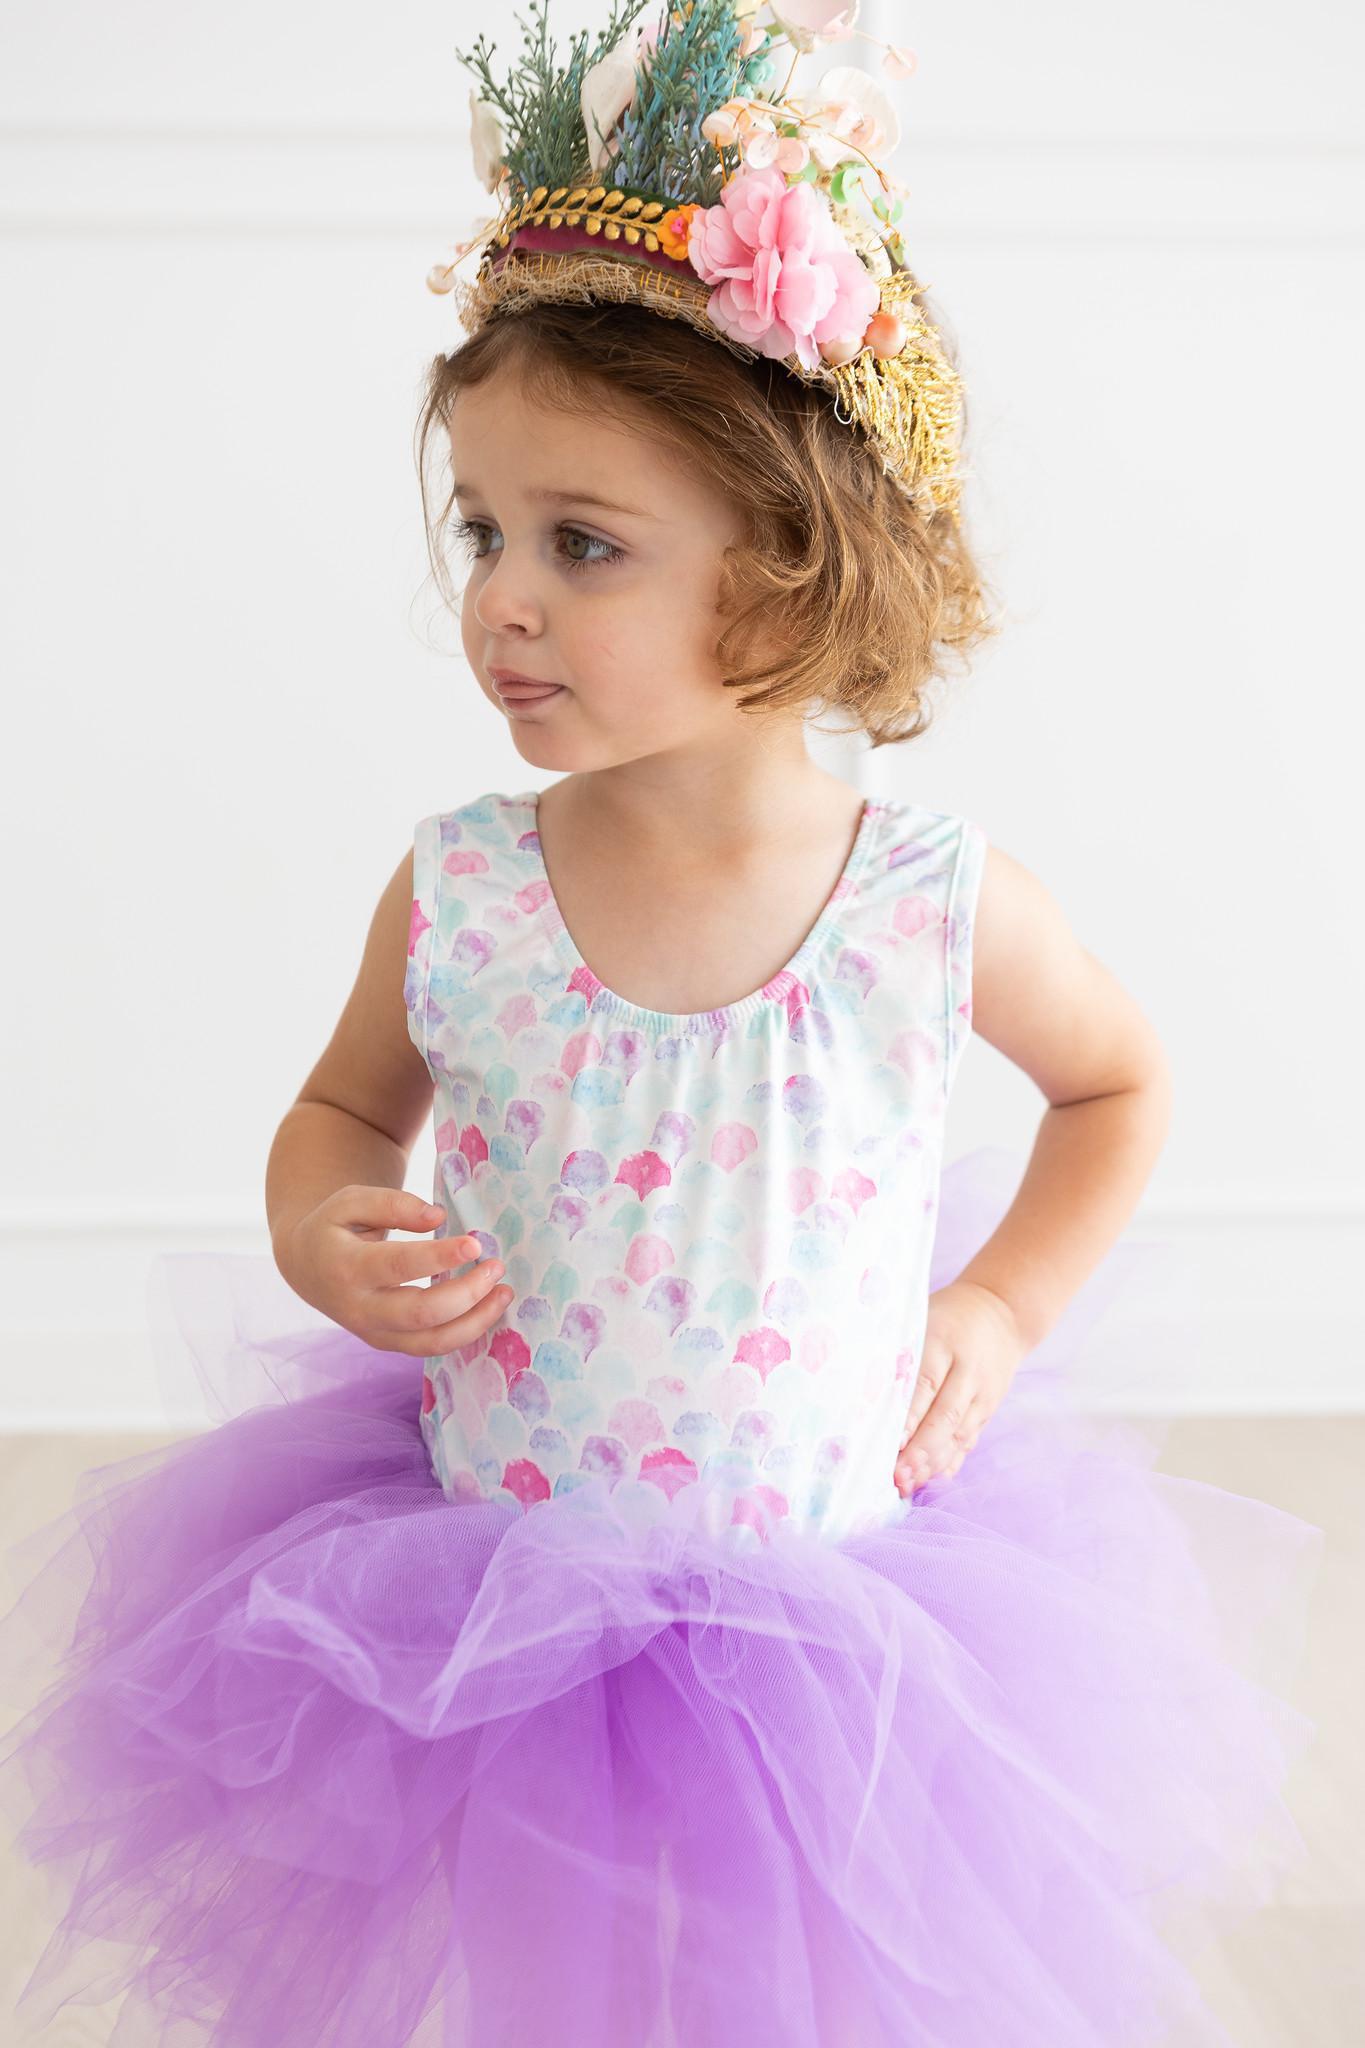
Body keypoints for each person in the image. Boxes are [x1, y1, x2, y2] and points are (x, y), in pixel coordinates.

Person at [0, 5, 1323, 2044]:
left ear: (782, 575)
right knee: (552, 1968)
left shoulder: (921, 901)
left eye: (582, 545)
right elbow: (341, 1110)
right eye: (483, 530)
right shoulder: (463, 889)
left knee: (795, 1970)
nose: (500, 599)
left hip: (826, 1613)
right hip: (496, 1598)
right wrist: (322, 1222)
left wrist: (993, 1308)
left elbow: (1118, 1081)